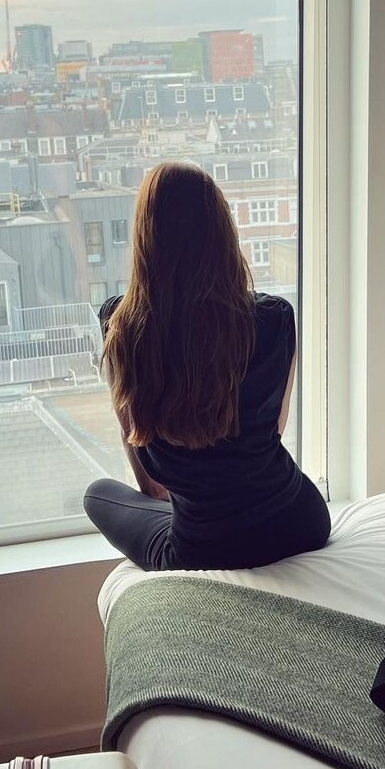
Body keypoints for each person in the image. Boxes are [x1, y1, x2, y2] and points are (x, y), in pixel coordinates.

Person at [83, 161, 331, 571]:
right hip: (300, 524)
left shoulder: (123, 327)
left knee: (97, 494)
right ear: (223, 230)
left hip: (203, 548)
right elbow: (272, 430)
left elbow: (149, 481)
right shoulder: (274, 318)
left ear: (145, 238)